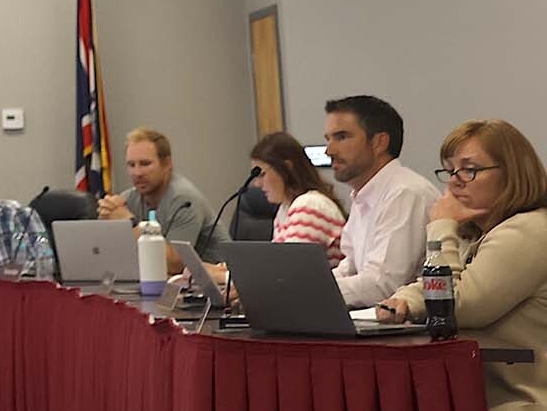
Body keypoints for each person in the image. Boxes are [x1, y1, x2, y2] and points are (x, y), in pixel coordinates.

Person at [377, 120, 547, 411]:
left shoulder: (529, 231)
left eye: (468, 170)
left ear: (511, 173)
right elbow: (434, 283)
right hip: (485, 401)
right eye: (449, 170)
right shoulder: (481, 234)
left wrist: (441, 227)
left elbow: (459, 306)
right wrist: (406, 300)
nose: (455, 183)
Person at [324, 95, 440, 308]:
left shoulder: (405, 193)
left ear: (379, 142)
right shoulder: (364, 195)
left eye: (341, 137)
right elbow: (349, 269)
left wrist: (306, 293)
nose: (329, 150)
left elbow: (382, 285)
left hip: (409, 334)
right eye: (328, 139)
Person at [97, 127, 229, 273]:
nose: (137, 173)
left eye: (145, 164)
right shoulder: (130, 198)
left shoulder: (184, 200)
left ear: (167, 164)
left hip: (220, 284)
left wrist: (130, 223)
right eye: (131, 165)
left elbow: (174, 265)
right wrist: (107, 222)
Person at [252, 131, 346, 264]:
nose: (257, 183)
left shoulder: (309, 205)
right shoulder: (285, 209)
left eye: (262, 174)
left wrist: (225, 276)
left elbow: (288, 270)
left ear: (287, 168)